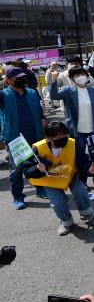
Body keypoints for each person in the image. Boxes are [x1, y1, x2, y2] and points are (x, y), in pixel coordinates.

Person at [22, 122, 94, 235]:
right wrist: (37, 169)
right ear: (48, 138)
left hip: (70, 175)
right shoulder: (38, 149)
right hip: (50, 179)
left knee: (81, 191)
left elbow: (83, 161)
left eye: (65, 135)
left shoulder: (73, 143)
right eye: (58, 137)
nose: (63, 138)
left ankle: (87, 213)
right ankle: (66, 222)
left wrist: (89, 169)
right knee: (58, 203)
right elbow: (26, 170)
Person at [1, 67, 46, 209]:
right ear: (8, 80)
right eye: (17, 77)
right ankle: (18, 196)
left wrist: (45, 130)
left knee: (38, 163)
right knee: (17, 170)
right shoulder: (3, 95)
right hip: (15, 139)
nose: (21, 79)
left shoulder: (32, 93)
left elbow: (40, 114)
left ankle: (40, 188)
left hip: (36, 135)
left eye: (22, 76)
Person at [49, 67, 94, 171]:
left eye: (82, 74)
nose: (80, 77)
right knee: (79, 156)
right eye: (77, 75)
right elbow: (54, 95)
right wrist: (54, 80)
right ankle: (82, 179)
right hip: (77, 132)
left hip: (93, 131)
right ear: (72, 78)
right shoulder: (67, 91)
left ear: (86, 75)